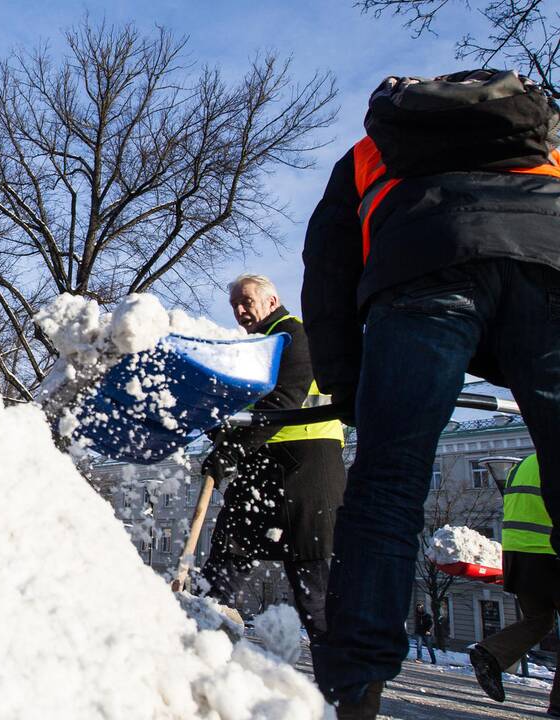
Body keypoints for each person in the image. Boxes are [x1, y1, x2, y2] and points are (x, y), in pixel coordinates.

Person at [300, 69, 560, 719]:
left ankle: (354, 688)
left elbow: (327, 270)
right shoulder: (546, 141)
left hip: (422, 272)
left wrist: (347, 384)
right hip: (550, 267)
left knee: (387, 481)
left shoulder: (370, 154)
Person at [199, 274, 346, 642]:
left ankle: (344, 681)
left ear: (271, 301)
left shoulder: (294, 336)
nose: (240, 310)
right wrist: (209, 426)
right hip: (262, 466)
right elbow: (243, 413)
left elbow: (281, 404)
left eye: (246, 301)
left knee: (312, 584)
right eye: (235, 304)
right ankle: (199, 650)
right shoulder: (255, 348)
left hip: (307, 470)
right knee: (222, 567)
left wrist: (229, 451)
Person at [469, 454, 560, 717]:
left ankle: (490, 652)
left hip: (518, 557)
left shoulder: (525, 463)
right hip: (550, 554)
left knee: (539, 620)